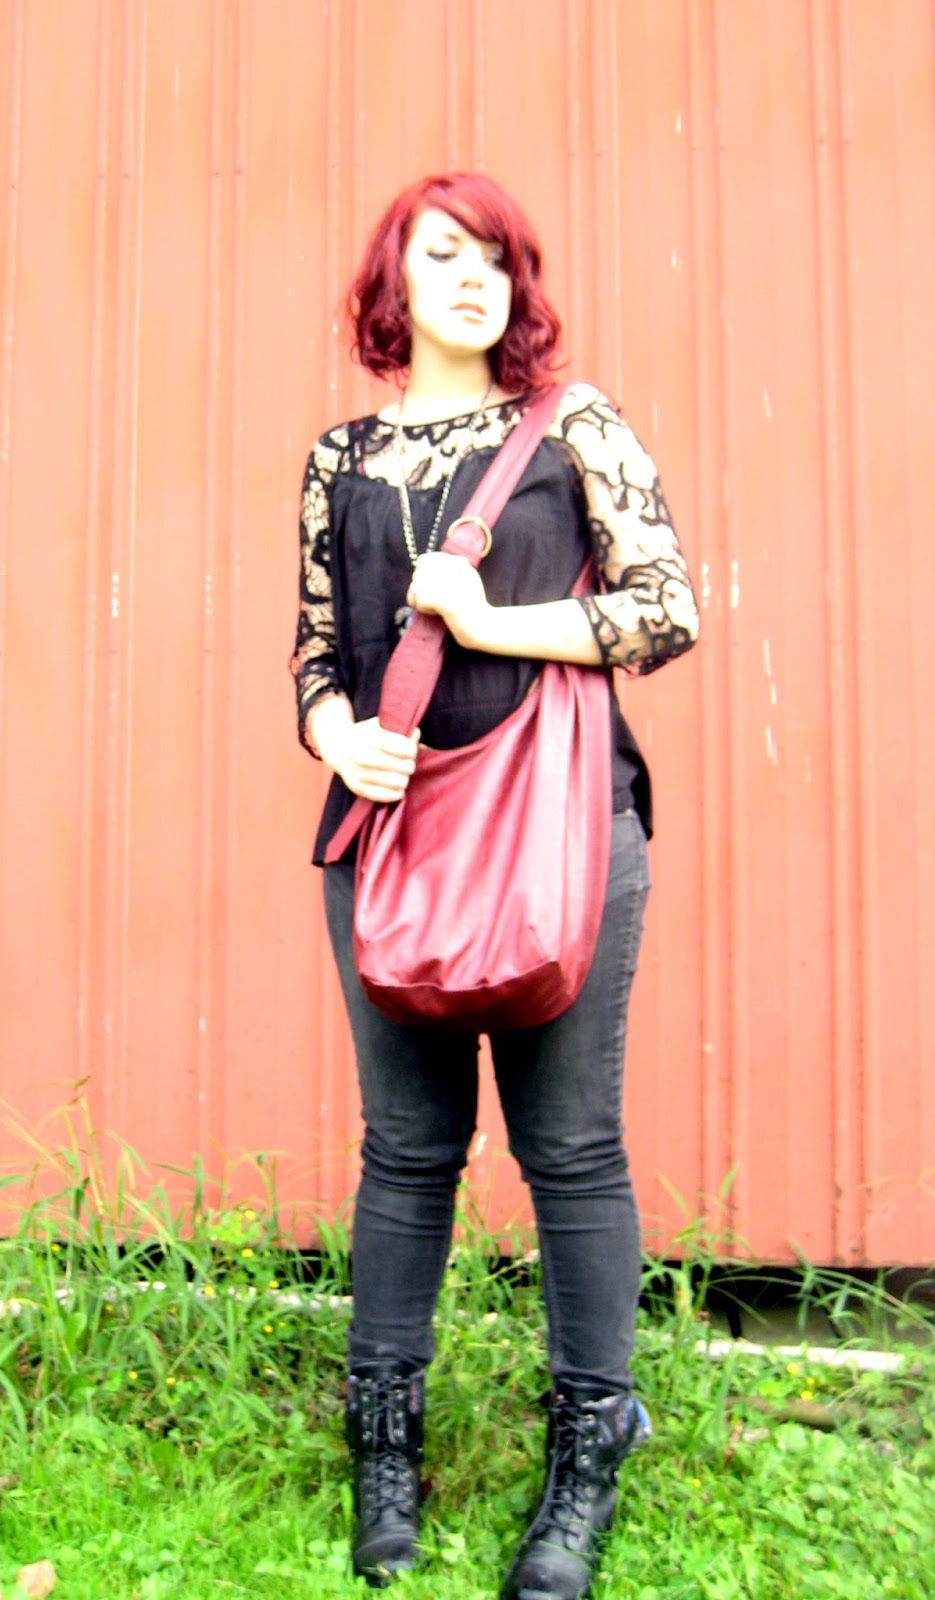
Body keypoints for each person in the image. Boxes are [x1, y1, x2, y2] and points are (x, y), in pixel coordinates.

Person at [291, 172, 699, 1598]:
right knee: (405, 1151)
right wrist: (333, 732)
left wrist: (490, 617)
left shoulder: (572, 427)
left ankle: (588, 1451)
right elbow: (315, 649)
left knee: (569, 1148)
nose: (475, 278)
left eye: (499, 260)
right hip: (387, 833)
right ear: (394, 284)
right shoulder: (341, 459)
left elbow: (665, 609)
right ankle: (383, 1450)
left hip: (560, 829)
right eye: (444, 255)